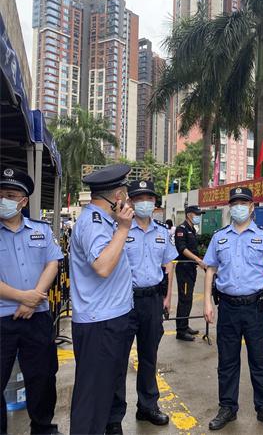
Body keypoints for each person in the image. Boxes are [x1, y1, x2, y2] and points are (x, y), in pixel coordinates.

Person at [203, 187, 263, 431]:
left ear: (251, 207)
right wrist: (207, 301)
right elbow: (210, 269)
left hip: (256, 308)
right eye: (235, 203)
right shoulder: (219, 237)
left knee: (260, 359)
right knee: (227, 361)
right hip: (228, 307)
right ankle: (227, 407)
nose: (238, 207)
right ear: (230, 207)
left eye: (243, 203)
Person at [68, 164, 134, 435]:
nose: (128, 201)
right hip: (99, 323)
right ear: (118, 197)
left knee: (107, 390)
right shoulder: (94, 223)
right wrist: (124, 229)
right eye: (126, 195)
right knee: (92, 399)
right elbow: (103, 266)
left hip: (112, 318)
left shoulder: (106, 221)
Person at [109, 180, 178, 427]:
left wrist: (167, 297)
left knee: (149, 356)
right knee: (118, 359)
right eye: (139, 199)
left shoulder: (162, 232)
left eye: (148, 198)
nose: (144, 203)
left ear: (155, 202)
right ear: (130, 202)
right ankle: (114, 417)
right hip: (124, 301)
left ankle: (147, 407)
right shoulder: (120, 229)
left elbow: (168, 266)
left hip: (153, 301)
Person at [0, 168, 62, 435]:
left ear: (23, 201)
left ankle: (43, 427)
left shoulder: (41, 230)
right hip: (2, 318)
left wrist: (33, 298)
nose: (3, 200)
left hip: (37, 317)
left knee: (43, 377)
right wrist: (23, 297)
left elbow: (52, 263)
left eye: (10, 195)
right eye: (0, 194)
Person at [174, 206, 206, 341]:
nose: (199, 216)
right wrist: (197, 259)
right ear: (188, 215)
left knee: (189, 299)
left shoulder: (192, 229)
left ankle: (185, 325)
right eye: (196, 214)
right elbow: (182, 249)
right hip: (184, 269)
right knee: (184, 299)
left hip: (191, 268)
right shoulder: (181, 229)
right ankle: (180, 331)